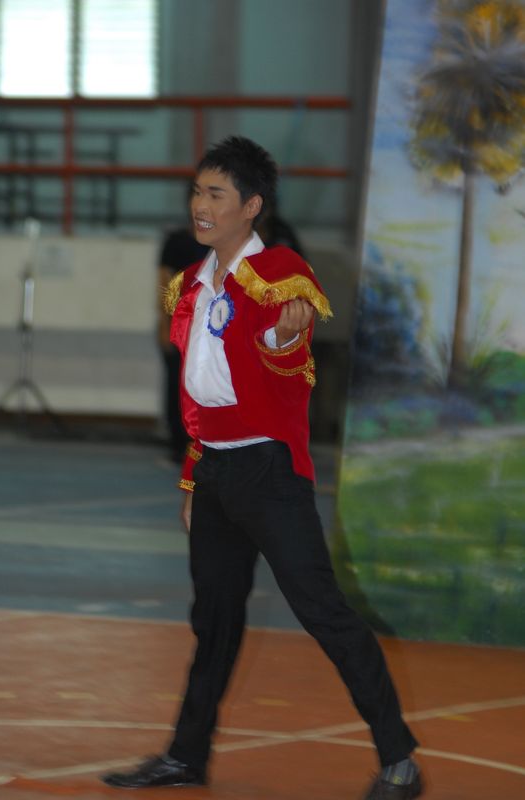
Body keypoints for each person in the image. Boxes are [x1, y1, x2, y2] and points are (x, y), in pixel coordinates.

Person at [102, 136, 423, 800]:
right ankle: (186, 757)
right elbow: (199, 397)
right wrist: (193, 478)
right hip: (215, 475)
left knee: (323, 612)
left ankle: (399, 760)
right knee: (213, 620)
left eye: (216, 194)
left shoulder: (280, 272)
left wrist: (283, 335)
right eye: (197, 191)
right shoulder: (192, 285)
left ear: (250, 206)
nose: (200, 205)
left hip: (269, 474)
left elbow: (285, 362)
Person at [157, 226, 209, 462]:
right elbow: (164, 282)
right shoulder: (177, 241)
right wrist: (164, 323)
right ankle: (179, 443)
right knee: (177, 386)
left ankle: (204, 442)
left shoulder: (224, 241)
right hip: (182, 324)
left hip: (210, 326)